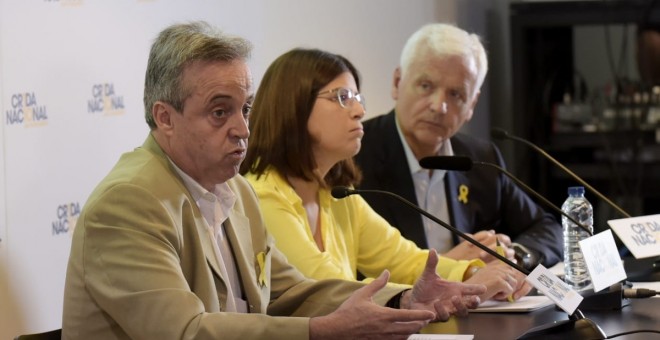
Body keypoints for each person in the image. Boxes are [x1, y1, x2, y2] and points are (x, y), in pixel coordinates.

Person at [61, 21, 487, 340]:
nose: (242, 129)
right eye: (219, 111)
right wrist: (321, 332)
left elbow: (293, 292)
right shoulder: (129, 202)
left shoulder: (237, 191)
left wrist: (404, 299)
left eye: (245, 109)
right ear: (165, 118)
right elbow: (186, 332)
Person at [240, 48, 530, 303]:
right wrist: (460, 287)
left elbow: (406, 260)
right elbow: (328, 290)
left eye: (357, 97)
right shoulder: (263, 196)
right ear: (293, 106)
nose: (359, 110)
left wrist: (480, 273)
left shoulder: (337, 195)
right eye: (342, 97)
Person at [354, 23, 563, 272]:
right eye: (426, 86)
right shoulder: (354, 157)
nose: (439, 106)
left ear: (472, 104)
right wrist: (449, 267)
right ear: (397, 82)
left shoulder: (479, 160)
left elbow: (548, 229)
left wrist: (513, 257)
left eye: (455, 94)